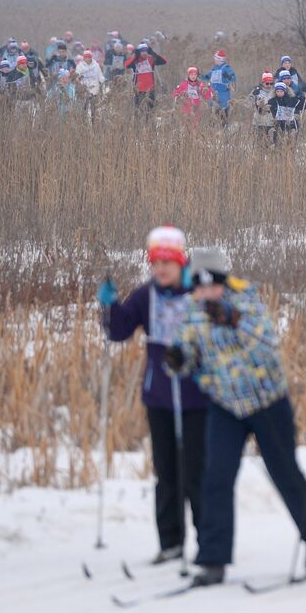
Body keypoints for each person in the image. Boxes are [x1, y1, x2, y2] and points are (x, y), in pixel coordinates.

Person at [172, 248, 306, 587]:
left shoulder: (246, 300)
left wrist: (232, 319)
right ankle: (213, 559)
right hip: (225, 404)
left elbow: (267, 343)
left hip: (266, 400)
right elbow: (189, 352)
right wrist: (178, 359)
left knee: (284, 470)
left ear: (221, 282)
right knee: (216, 477)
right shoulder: (192, 312)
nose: (204, 293)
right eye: (198, 288)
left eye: (210, 286)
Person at [97, 226, 207, 565]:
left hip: (195, 399)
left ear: (180, 262)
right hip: (159, 397)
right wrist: (110, 307)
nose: (161, 269)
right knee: (167, 474)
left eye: (168, 262)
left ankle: (208, 544)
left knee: (195, 475)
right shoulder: (147, 295)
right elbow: (119, 331)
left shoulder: (199, 293)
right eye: (156, 262)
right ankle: (171, 541)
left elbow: (217, 338)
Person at [125, 40, 167, 115]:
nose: (144, 53)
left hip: (150, 89)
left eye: (146, 51)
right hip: (139, 90)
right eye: (142, 51)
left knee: (151, 111)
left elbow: (164, 61)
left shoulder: (151, 59)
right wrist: (135, 55)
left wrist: (153, 53)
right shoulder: (135, 61)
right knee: (138, 111)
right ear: (139, 52)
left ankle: (149, 124)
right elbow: (126, 65)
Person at [268, 80, 305, 146]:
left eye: (281, 91)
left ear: (284, 91)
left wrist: (305, 98)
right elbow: (269, 111)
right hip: (277, 126)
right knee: (277, 144)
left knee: (290, 144)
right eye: (277, 91)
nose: (279, 93)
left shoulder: (292, 99)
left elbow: (301, 105)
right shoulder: (272, 101)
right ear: (275, 92)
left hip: (290, 126)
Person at [206, 50, 237, 126]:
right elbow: (207, 78)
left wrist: (228, 76)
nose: (214, 60)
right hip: (214, 101)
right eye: (215, 58)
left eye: (216, 58)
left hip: (224, 101)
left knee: (223, 122)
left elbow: (233, 78)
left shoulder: (226, 68)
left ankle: (224, 135)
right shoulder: (214, 69)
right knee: (213, 122)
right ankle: (212, 135)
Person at [75, 50, 105, 120]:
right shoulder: (80, 66)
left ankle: (94, 125)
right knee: (84, 109)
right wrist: (79, 85)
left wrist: (103, 81)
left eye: (89, 57)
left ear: (91, 58)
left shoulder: (96, 65)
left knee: (94, 110)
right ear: (83, 58)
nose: (87, 59)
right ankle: (84, 124)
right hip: (84, 91)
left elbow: (100, 75)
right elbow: (77, 77)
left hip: (94, 90)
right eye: (86, 57)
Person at [251, 71, 277, 146]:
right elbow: (249, 101)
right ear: (263, 83)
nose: (269, 85)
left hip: (271, 123)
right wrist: (254, 98)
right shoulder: (257, 91)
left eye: (271, 83)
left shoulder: (275, 92)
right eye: (267, 83)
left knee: (271, 146)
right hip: (259, 122)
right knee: (259, 145)